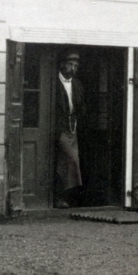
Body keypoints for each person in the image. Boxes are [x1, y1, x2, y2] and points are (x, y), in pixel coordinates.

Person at [54, 51, 84, 208]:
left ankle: (64, 198)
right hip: (58, 128)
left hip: (73, 129)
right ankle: (61, 197)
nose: (73, 68)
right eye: (70, 64)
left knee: (66, 162)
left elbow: (81, 107)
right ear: (63, 65)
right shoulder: (53, 82)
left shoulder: (77, 84)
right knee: (72, 160)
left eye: (76, 66)